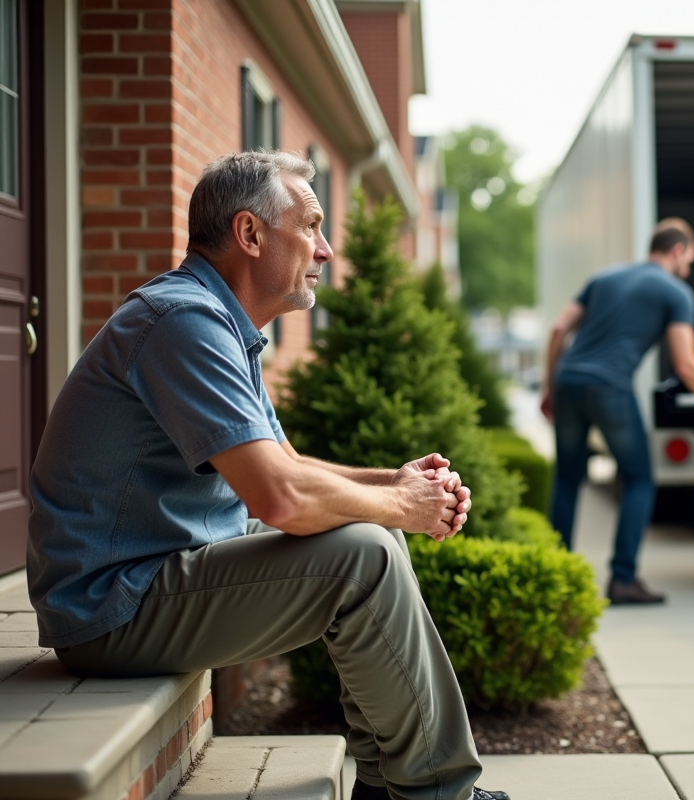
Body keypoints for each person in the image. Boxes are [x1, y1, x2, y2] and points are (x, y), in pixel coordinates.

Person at [26, 151, 509, 800]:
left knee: (374, 535)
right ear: (250, 234)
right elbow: (279, 498)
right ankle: (438, 795)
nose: (326, 250)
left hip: (160, 570)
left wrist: (390, 485)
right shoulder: (182, 321)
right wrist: (403, 505)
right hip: (112, 604)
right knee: (363, 556)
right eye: (310, 226)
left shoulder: (220, 323)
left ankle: (385, 782)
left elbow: (286, 467)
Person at [540, 219, 694, 605]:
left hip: (568, 381)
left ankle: (554, 578)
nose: (688, 269)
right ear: (678, 251)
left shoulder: (603, 278)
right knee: (639, 479)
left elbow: (558, 329)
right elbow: (686, 364)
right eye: (689, 261)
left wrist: (550, 386)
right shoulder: (676, 291)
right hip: (609, 387)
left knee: (567, 479)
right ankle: (623, 579)